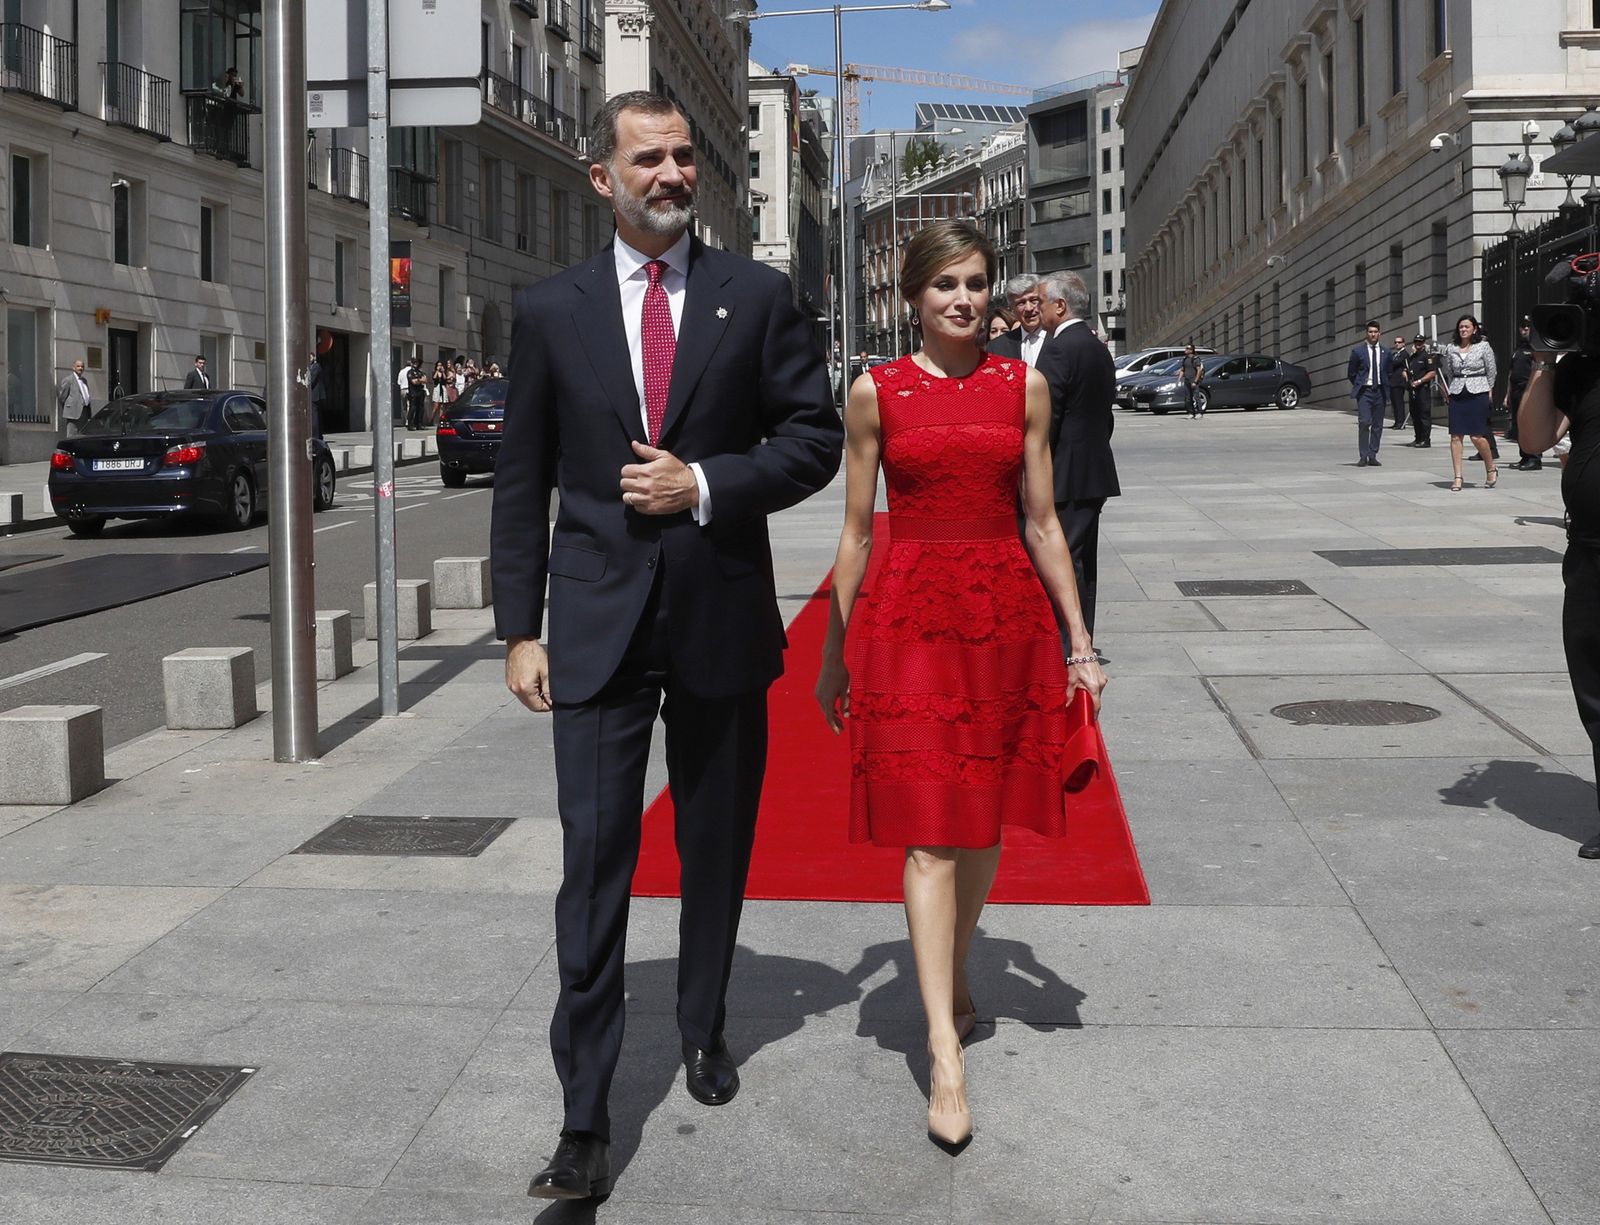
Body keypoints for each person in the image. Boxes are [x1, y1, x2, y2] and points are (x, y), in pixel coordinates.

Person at [490, 90, 843, 1201]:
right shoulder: (553, 310)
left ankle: (701, 1026)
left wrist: (705, 484)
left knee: (713, 847)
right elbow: (521, 479)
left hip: (719, 618)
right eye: (648, 158)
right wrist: (517, 628)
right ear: (602, 177)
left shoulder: (757, 296)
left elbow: (812, 438)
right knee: (591, 866)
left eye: (684, 156)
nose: (671, 174)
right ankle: (584, 1116)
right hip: (592, 628)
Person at [814, 219, 1107, 1151]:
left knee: (981, 824)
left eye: (977, 282)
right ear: (912, 295)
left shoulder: (1024, 384)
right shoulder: (876, 391)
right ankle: (945, 1050)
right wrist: (833, 651)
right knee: (929, 835)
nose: (964, 299)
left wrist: (1080, 639)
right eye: (945, 283)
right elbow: (857, 532)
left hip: (1006, 619)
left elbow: (1045, 519)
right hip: (909, 622)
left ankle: (954, 959)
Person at [1517, 344, 1600, 858]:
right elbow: (1535, 438)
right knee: (1594, 689)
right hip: (1590, 551)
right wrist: (1544, 362)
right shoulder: (1578, 368)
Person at [1035, 270, 1120, 641]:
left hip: (1064, 475)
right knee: (1083, 562)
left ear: (1060, 305)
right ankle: (1082, 635)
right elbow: (1105, 414)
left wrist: (1033, 465)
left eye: (1040, 301)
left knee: (1059, 560)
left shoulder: (1058, 348)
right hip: (1094, 471)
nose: (1036, 308)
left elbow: (1044, 416)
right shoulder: (1097, 346)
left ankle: (1066, 642)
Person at [1441, 314, 1498, 492]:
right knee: (1456, 436)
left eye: (1467, 326)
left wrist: (1489, 389)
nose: (1463, 330)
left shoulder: (1483, 346)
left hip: (1478, 391)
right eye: (1461, 327)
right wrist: (1451, 389)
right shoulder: (1452, 348)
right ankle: (1458, 476)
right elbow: (1449, 371)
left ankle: (1490, 467)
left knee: (1477, 436)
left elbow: (1492, 370)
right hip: (1458, 392)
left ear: (1474, 328)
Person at [1346, 320, 1389, 466]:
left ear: (1379, 333)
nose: (1373, 334)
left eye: (1375, 332)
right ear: (1367, 333)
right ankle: (1363, 455)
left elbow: (1388, 371)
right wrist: (1359, 384)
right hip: (1365, 391)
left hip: (1380, 391)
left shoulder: (1386, 352)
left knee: (1377, 424)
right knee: (1364, 422)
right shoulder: (1358, 352)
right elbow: (1351, 372)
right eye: (1370, 332)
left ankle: (1373, 454)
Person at [986, 273, 1047, 366]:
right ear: (1012, 308)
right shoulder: (997, 347)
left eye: (1034, 300)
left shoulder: (1061, 339)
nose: (1029, 308)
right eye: (1021, 303)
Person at [1506, 321, 1541, 470]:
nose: (1525, 329)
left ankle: (1534, 458)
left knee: (1530, 424)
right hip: (1516, 391)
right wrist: (1507, 395)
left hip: (1529, 390)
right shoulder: (1518, 349)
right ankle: (1524, 456)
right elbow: (1511, 374)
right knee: (1519, 425)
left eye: (1528, 326)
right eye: (1522, 326)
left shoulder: (1536, 348)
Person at [1404, 336, 1436, 447]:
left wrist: (1419, 381)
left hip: (1422, 389)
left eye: (1420, 342)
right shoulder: (1412, 357)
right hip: (1412, 389)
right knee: (1414, 414)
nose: (1418, 344)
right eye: (1416, 342)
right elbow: (1407, 370)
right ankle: (1417, 438)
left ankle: (1425, 439)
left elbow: (1432, 373)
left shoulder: (1427, 357)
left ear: (1423, 343)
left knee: (1424, 414)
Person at [56, 359, 93, 436]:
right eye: (78, 366)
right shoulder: (68, 380)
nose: (80, 368)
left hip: (84, 412)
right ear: (73, 368)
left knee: (82, 435)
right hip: (73, 413)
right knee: (72, 435)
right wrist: (69, 408)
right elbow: (62, 397)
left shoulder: (84, 381)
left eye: (82, 366)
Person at [1387, 335, 1411, 430]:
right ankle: (1397, 421)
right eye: (1395, 342)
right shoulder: (1394, 354)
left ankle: (1401, 422)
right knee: (1394, 403)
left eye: (1399, 342)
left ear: (1403, 343)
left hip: (1399, 382)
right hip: (1392, 381)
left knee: (1399, 402)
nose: (1397, 344)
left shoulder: (1404, 354)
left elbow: (1395, 363)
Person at [1179, 342, 1205, 418]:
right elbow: (1183, 369)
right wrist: (1179, 379)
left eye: (1187, 348)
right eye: (1186, 348)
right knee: (1188, 398)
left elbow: (1199, 370)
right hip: (1186, 380)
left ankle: (1199, 413)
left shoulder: (1195, 359)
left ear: (1191, 350)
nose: (1185, 350)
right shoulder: (1185, 359)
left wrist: (1195, 381)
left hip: (1193, 380)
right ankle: (1191, 413)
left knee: (1196, 396)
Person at [306, 351, 327, 438]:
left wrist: (305, 382)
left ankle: (316, 436)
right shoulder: (311, 367)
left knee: (315, 418)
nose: (309, 359)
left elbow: (312, 381)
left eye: (310, 357)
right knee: (315, 417)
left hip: (316, 396)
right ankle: (318, 435)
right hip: (314, 396)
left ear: (314, 358)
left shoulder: (316, 367)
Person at [405, 358, 428, 430]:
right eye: (414, 363)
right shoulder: (410, 372)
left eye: (417, 363)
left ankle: (418, 424)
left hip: (420, 392)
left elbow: (425, 380)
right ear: (412, 364)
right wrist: (420, 380)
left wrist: (418, 380)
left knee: (420, 409)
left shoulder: (420, 372)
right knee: (413, 408)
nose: (416, 364)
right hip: (413, 392)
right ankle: (410, 424)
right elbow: (413, 381)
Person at [429, 359, 454, 425]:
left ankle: (440, 420)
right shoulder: (434, 372)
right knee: (436, 405)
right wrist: (437, 371)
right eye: (438, 365)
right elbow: (434, 378)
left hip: (443, 387)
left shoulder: (444, 372)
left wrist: (443, 372)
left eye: (441, 365)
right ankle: (431, 420)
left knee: (442, 405)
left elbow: (445, 379)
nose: (440, 366)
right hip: (437, 388)